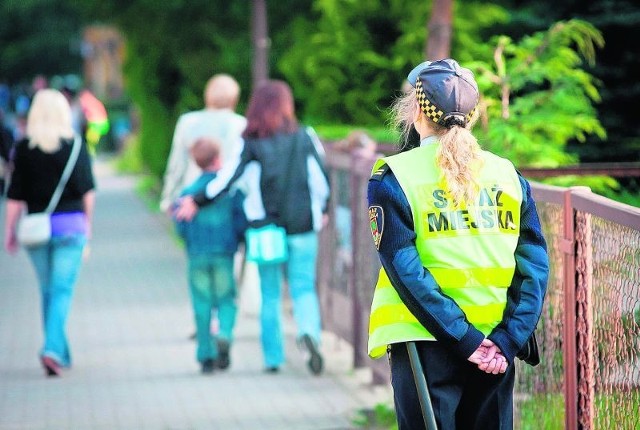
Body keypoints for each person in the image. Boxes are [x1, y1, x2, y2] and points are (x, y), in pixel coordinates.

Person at [366, 59, 549, 429]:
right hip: (496, 344)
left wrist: (466, 340)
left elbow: (406, 271)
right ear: (474, 113)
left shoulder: (394, 177)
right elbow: (534, 266)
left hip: (425, 341)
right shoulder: (507, 174)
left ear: (416, 110)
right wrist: (507, 338)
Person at [175, 80, 331, 375]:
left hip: (265, 229)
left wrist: (197, 199)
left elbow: (226, 178)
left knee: (270, 294)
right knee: (302, 288)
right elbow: (320, 179)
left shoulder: (250, 142)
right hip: (302, 226)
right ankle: (309, 333)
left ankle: (273, 359)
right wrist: (321, 210)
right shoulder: (305, 136)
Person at [3, 88, 96, 377]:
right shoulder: (77, 146)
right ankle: (53, 350)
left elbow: (15, 196)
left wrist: (9, 231)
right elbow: (88, 192)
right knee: (61, 291)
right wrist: (88, 225)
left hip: (36, 230)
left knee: (49, 291)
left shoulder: (24, 149)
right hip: (71, 227)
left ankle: (58, 351)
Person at [173, 136, 247, 374]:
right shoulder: (230, 191)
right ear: (218, 158)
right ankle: (224, 333)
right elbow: (241, 221)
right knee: (226, 299)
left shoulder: (188, 193)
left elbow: (180, 227)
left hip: (197, 255)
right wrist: (240, 241)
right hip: (224, 253)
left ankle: (205, 354)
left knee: (201, 303)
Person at [160, 74, 246, 213]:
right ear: (234, 98)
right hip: (228, 201)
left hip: (191, 200)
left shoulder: (188, 122)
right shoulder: (241, 124)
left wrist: (168, 199)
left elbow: (177, 165)